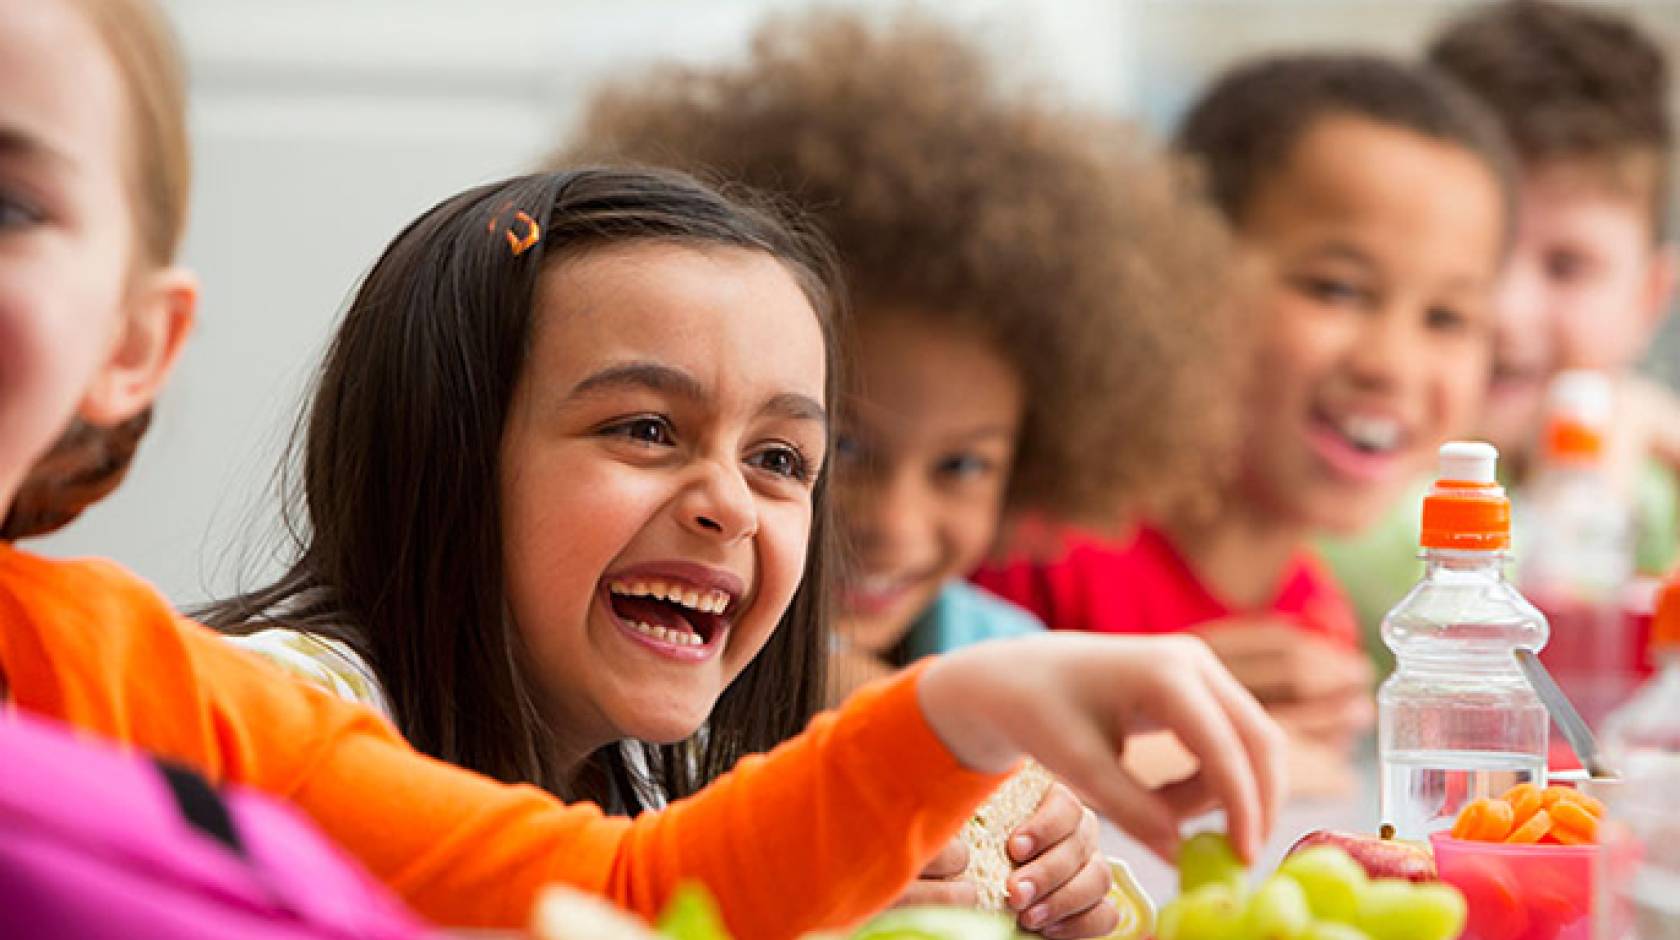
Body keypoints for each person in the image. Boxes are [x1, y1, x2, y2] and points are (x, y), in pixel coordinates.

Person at [0, 2, 1285, 932]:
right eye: (645, 430)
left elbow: (642, 889)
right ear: (446, 454)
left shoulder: (655, 763)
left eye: (784, 457)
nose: (728, 498)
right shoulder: (283, 701)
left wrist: (1070, 895)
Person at [975, 54, 1514, 796]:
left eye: (1447, 317)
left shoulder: (1317, 620)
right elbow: (918, 760)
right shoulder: (1033, 540)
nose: (1392, 363)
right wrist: (1147, 726)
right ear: (1179, 271)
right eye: (1337, 288)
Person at [1324, 0, 1680, 644]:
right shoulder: (1333, 482)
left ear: (1649, 299)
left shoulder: (1657, 492)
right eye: (1481, 254)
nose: (1507, 311)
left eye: (1567, 266)